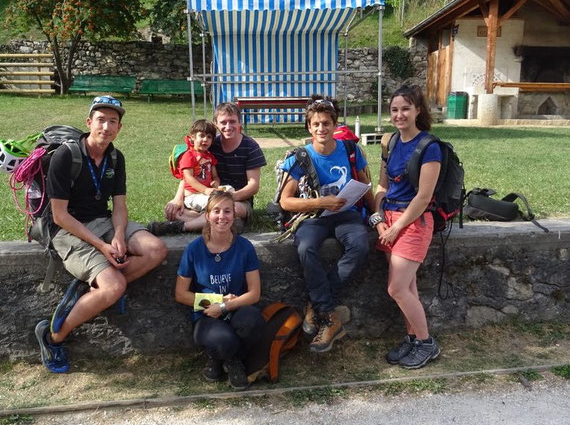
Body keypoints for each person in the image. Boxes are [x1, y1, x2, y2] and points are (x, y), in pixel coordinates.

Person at [35, 95, 168, 373]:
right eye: (101, 120)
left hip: (103, 220)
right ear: (89, 122)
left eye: (113, 121)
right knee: (115, 286)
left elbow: (119, 205)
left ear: (119, 128)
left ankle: (88, 293)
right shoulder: (66, 156)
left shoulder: (116, 158)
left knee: (156, 250)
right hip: (67, 229)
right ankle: (53, 336)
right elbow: (59, 215)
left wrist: (119, 234)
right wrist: (102, 246)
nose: (106, 127)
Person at [279, 95, 375, 353]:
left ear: (335, 125)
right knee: (305, 248)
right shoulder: (299, 158)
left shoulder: (351, 151)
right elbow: (286, 202)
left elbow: (366, 187)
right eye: (316, 124)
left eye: (326, 123)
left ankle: (317, 303)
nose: (321, 128)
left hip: (347, 214)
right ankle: (329, 315)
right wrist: (320, 202)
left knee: (359, 245)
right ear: (309, 127)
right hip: (314, 217)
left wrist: (376, 216)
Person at [372, 85, 442, 370]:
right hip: (387, 220)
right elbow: (382, 185)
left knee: (397, 288)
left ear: (418, 111)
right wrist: (378, 219)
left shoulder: (429, 147)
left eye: (405, 109)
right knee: (408, 287)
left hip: (413, 222)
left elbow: (423, 197)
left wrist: (396, 227)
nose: (399, 114)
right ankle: (412, 338)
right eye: (395, 109)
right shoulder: (389, 142)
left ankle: (427, 343)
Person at [175, 190, 265, 390]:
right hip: (206, 314)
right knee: (224, 340)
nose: (222, 217)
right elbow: (181, 294)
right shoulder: (194, 249)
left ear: (234, 215)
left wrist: (225, 305)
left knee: (254, 322)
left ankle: (227, 360)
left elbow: (254, 293)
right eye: (216, 211)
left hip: (236, 307)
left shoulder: (245, 247)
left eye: (227, 211)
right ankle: (223, 357)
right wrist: (215, 301)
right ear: (207, 216)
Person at [155, 102, 266, 235]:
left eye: (232, 122)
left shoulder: (250, 147)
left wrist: (231, 197)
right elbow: (189, 174)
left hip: (239, 200)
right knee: (174, 209)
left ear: (239, 123)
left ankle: (182, 226)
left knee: (227, 209)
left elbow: (253, 186)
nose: (228, 126)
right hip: (207, 196)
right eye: (223, 122)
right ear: (216, 123)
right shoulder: (210, 144)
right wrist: (177, 198)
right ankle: (225, 223)